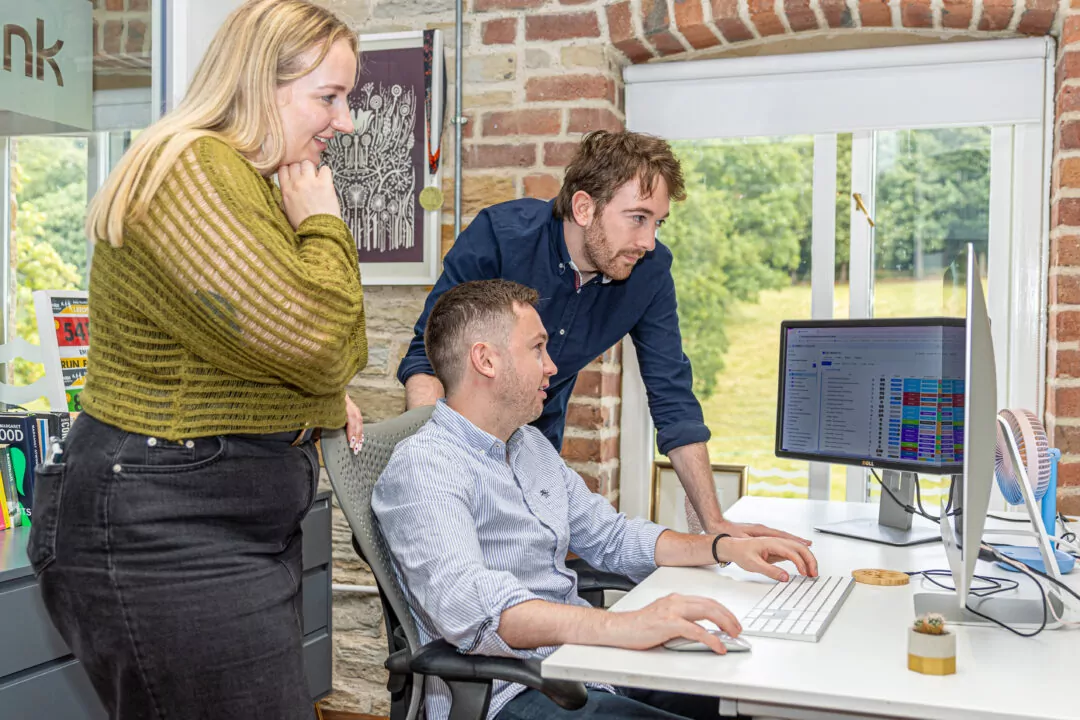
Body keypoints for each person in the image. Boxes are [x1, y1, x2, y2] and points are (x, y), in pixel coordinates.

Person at [27, 2, 367, 718]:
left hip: (218, 511)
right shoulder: (192, 169)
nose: (344, 120)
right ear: (256, 83)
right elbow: (323, 344)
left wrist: (312, 400)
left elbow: (250, 346)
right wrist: (326, 227)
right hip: (166, 519)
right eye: (329, 97)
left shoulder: (248, 181)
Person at [374, 280, 818, 720]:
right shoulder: (426, 467)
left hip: (586, 661)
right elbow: (477, 610)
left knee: (754, 698)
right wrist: (626, 625)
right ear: (486, 360)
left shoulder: (528, 445)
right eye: (537, 349)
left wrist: (722, 547)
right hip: (511, 691)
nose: (552, 365)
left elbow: (611, 537)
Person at [397, 130, 803, 542]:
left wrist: (714, 524)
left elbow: (672, 397)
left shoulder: (650, 271)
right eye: (638, 218)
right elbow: (426, 360)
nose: (648, 241)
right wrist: (430, 473)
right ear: (584, 207)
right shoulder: (501, 236)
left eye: (658, 223)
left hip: (537, 450)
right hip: (454, 449)